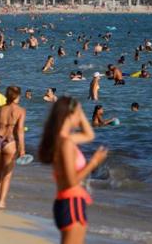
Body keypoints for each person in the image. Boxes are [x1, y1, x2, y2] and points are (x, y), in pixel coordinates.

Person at [38, 97, 108, 244]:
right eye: (78, 112)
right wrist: (94, 162)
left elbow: (89, 135)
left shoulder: (61, 139)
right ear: (69, 115)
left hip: (65, 201)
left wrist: (78, 110)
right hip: (71, 201)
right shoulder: (66, 143)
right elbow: (72, 181)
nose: (80, 115)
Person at [0, 86, 26, 209]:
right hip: (10, 142)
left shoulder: (1, 109)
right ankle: (1, 201)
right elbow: (20, 131)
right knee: (7, 174)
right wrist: (22, 149)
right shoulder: (21, 110)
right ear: (17, 96)